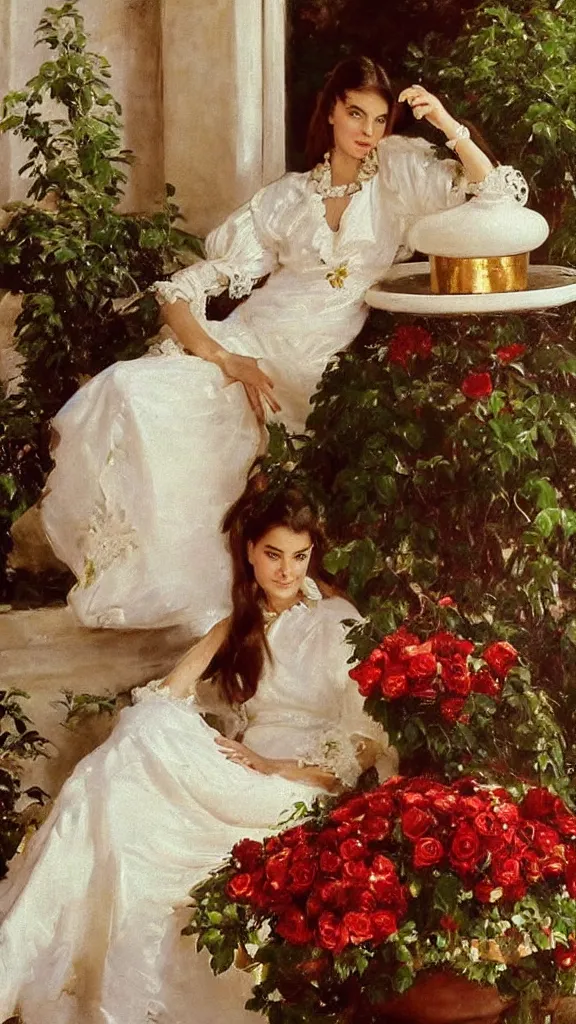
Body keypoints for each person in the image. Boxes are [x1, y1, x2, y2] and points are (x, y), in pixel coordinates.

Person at [40, 56, 517, 632]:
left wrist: (446, 124)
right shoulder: (288, 198)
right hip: (250, 341)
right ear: (332, 113)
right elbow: (178, 292)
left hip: (313, 367)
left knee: (206, 418)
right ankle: (144, 578)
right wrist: (223, 356)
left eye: (380, 118)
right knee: (133, 388)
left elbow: (491, 193)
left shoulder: (396, 177)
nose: (367, 130)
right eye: (355, 113)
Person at [0, 484, 396, 1024]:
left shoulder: (338, 621)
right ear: (250, 554)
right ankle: (47, 954)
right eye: (273, 555)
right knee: (139, 735)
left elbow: (366, 738)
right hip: (243, 770)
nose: (287, 572)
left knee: (126, 764)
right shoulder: (241, 621)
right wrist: (233, 626)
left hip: (299, 784)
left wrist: (283, 767)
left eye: (299, 557)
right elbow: (169, 689)